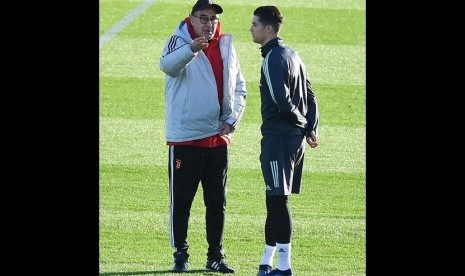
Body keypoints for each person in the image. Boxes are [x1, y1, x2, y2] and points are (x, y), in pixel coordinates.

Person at [159, 0, 247, 273]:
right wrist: (190, 50)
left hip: (217, 139)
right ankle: (180, 256)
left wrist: (232, 120)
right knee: (182, 202)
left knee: (217, 203)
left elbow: (239, 87)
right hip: (186, 138)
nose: (209, 24)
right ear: (192, 19)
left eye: (213, 19)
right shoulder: (179, 40)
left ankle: (215, 257)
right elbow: (167, 66)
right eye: (203, 18)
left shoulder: (225, 45)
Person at [249, 6, 319, 276]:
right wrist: (312, 127)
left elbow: (281, 100)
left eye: (255, 24)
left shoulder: (272, 59)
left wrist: (301, 123)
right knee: (273, 199)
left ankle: (285, 268)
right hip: (293, 141)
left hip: (279, 139)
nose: (251, 29)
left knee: (279, 202)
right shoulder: (294, 55)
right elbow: (312, 98)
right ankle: (266, 262)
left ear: (268, 29)